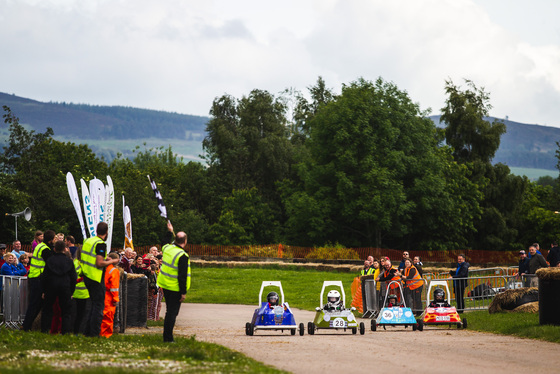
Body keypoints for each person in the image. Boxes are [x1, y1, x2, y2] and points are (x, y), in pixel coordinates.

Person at [81, 222, 119, 337]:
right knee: (98, 307)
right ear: (106, 232)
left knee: (92, 305)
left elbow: (91, 256)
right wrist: (112, 261)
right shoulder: (100, 244)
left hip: (86, 275)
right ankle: (95, 333)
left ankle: (87, 332)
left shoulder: (88, 241)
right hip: (96, 278)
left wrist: (105, 257)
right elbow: (99, 263)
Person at [157, 221, 191, 343]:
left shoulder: (167, 249)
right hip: (175, 288)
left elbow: (164, 242)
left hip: (165, 284)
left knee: (169, 312)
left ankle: (167, 336)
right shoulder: (183, 255)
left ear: (175, 240)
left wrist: (169, 231)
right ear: (185, 241)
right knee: (172, 313)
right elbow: (182, 276)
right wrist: (183, 292)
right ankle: (168, 338)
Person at [40, 240, 76, 334]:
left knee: (47, 309)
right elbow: (73, 277)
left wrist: (44, 290)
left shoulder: (50, 260)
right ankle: (65, 331)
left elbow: (45, 276)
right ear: (65, 249)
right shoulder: (69, 261)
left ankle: (44, 330)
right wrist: (71, 291)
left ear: (54, 249)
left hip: (51, 286)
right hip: (65, 287)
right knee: (66, 311)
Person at [22, 229, 55, 331]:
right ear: (51, 240)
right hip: (38, 278)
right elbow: (51, 263)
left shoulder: (40, 246)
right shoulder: (45, 249)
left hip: (35, 276)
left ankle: (28, 326)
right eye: (54, 239)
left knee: (37, 304)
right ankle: (26, 326)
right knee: (35, 304)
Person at [101, 252, 120, 338]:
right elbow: (114, 287)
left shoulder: (104, 268)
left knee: (103, 315)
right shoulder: (114, 271)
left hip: (103, 293)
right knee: (108, 316)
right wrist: (115, 299)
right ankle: (105, 334)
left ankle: (102, 333)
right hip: (109, 296)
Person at [72, 246, 90, 334]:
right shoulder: (77, 263)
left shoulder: (80, 262)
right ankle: (77, 332)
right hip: (79, 292)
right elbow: (81, 274)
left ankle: (80, 332)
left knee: (82, 314)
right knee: (80, 314)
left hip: (84, 292)